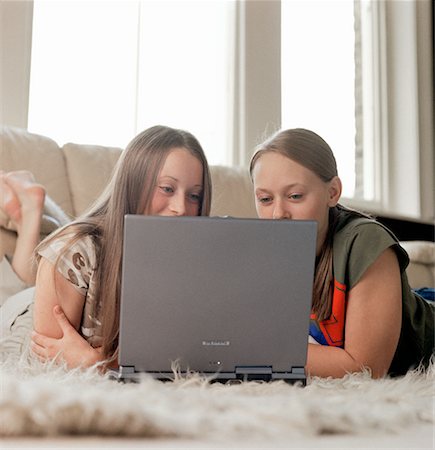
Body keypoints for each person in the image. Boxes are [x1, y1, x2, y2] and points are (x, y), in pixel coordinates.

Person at [0, 125, 212, 369]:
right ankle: (30, 213)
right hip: (24, 325)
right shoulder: (72, 250)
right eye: (167, 188)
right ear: (134, 183)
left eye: (194, 196)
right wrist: (99, 366)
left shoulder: (194, 262)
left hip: (72, 282)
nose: (182, 208)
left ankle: (34, 211)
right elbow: (48, 360)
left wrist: (100, 363)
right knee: (21, 285)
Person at [249, 128, 434, 378]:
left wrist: (252, 350)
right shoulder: (264, 253)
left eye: (294, 195)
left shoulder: (364, 241)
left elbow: (366, 368)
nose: (278, 214)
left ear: (333, 192)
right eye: (265, 199)